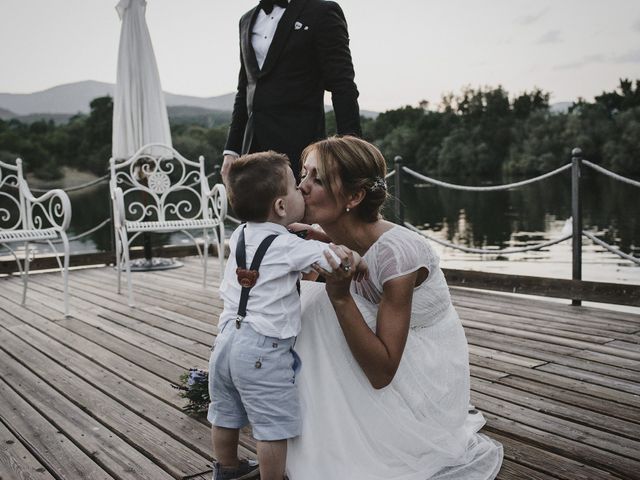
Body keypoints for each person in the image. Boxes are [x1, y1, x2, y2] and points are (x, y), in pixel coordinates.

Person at [285, 136, 504, 479]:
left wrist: (339, 295)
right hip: (380, 350)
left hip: (424, 372)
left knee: (318, 303)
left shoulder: (398, 254)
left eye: (318, 179)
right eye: (303, 175)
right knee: (307, 302)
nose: (302, 186)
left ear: (355, 197)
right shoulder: (318, 235)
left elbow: (382, 372)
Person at [208, 151, 366, 480]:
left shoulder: (239, 235)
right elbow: (331, 259)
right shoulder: (287, 246)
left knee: (224, 413)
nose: (301, 191)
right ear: (281, 206)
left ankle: (227, 469)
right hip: (262, 351)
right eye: (296, 187)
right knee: (272, 426)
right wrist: (353, 256)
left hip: (225, 340)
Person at [221, 0, 362, 184]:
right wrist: (231, 150)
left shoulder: (322, 12)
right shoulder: (246, 20)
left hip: (301, 149)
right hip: (253, 150)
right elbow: (245, 88)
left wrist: (351, 149)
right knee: (257, 213)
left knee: (300, 212)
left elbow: (342, 84)